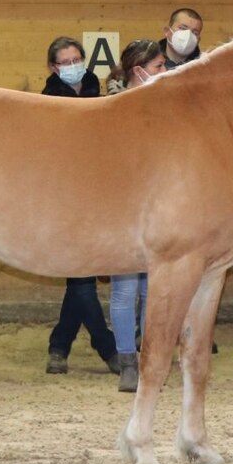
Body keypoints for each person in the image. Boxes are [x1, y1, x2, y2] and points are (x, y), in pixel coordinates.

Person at [41, 37, 121, 377]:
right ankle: (107, 346)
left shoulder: (99, 94)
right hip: (62, 198)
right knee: (81, 279)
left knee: (80, 277)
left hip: (98, 197)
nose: (73, 65)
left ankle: (59, 344)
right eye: (65, 61)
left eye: (77, 58)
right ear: (54, 67)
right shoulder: (43, 102)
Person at [104, 39, 165, 392]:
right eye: (159, 67)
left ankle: (146, 358)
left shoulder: (165, 107)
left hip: (154, 207)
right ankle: (126, 359)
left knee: (152, 289)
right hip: (122, 209)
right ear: (139, 71)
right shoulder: (114, 107)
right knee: (125, 291)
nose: (166, 72)